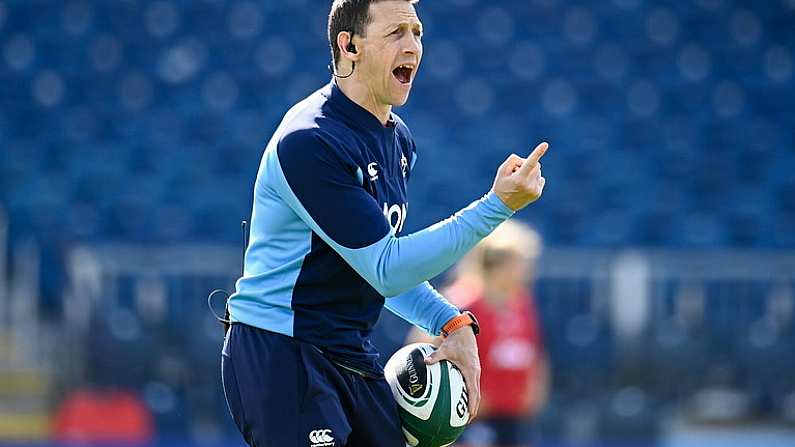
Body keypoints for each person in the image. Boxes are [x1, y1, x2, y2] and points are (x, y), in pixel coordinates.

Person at [220, 1, 549, 446]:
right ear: (349, 45)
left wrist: (450, 323)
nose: (413, 45)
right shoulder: (309, 141)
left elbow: (376, 270)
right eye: (396, 32)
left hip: (350, 350)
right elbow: (386, 267)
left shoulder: (398, 140)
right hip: (282, 351)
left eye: (417, 32)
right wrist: (496, 206)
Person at [407, 221, 550, 447]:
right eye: (520, 263)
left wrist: (535, 388)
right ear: (497, 265)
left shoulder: (522, 304)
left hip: (514, 418)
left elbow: (535, 352)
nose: (527, 271)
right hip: (470, 420)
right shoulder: (459, 304)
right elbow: (420, 353)